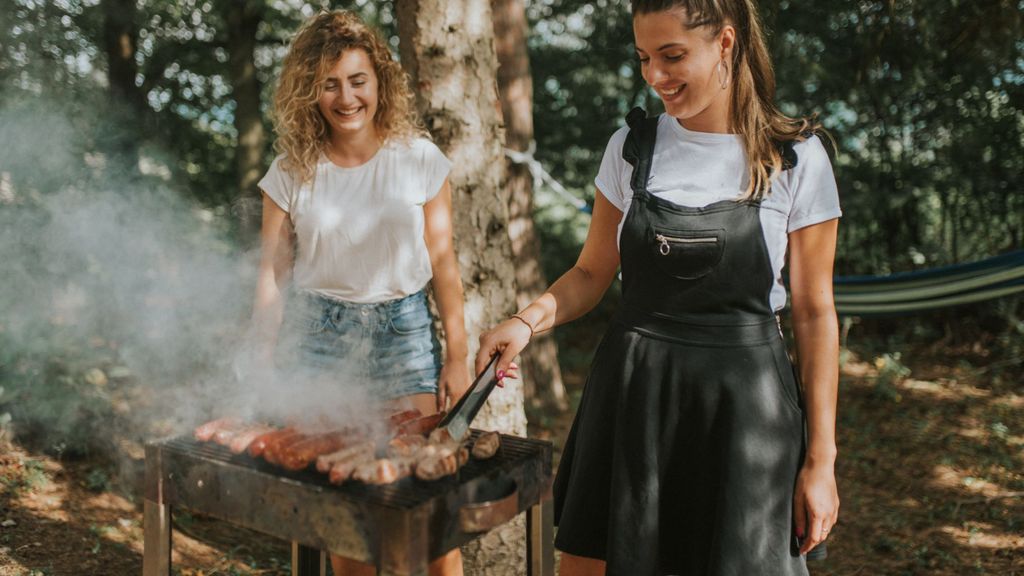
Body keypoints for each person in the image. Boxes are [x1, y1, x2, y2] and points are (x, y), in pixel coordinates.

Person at [476, 0, 841, 574]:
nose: (655, 77)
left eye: (672, 56)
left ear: (725, 44)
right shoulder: (630, 148)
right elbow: (592, 273)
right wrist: (526, 323)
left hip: (744, 412)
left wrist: (821, 458)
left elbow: (815, 312)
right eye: (644, 58)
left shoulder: (795, 157)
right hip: (632, 398)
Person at [250, 10, 475, 576]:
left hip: (404, 336)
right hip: (321, 340)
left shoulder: (419, 159)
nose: (346, 97)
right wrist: (258, 357)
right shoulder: (289, 172)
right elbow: (272, 278)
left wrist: (458, 355)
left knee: (428, 508)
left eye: (357, 80)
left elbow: (444, 262)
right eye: (329, 84)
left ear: (379, 82)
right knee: (347, 519)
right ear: (310, 91)